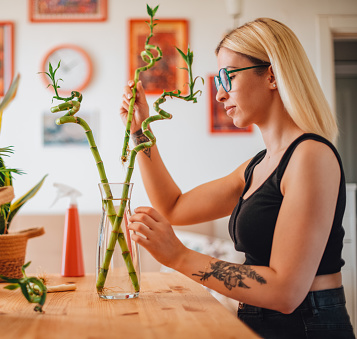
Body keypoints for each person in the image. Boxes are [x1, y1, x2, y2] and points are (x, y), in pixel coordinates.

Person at [120, 18, 355, 339]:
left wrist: (178, 255)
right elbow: (174, 207)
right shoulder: (258, 166)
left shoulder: (310, 156)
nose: (219, 95)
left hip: (305, 327)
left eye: (227, 77)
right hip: (258, 322)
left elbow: (286, 292)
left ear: (272, 75)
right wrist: (140, 131)